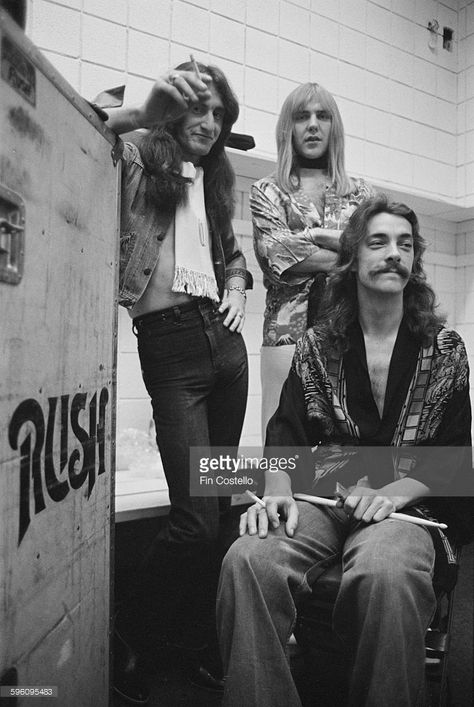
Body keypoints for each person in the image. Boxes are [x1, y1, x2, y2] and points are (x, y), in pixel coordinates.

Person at [217, 195, 473, 707]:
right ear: (353, 258)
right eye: (378, 242)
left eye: (405, 244)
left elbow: (455, 456)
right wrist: (277, 490)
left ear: (414, 262)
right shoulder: (317, 345)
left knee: (386, 571)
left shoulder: (444, 348)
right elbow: (285, 429)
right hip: (326, 498)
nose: (393, 253)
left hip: (408, 506)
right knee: (248, 558)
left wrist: (396, 493)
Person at [102, 61, 252, 703]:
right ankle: (127, 628)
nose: (211, 124)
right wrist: (143, 111)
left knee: (220, 515)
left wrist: (240, 283)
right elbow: (92, 131)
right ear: (173, 109)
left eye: (220, 114)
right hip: (170, 351)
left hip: (226, 351)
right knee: (194, 520)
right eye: (199, 109)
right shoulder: (138, 161)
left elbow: (231, 251)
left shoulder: (212, 179)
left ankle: (191, 644)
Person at [251, 82, 375, 438]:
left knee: (351, 448)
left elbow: (373, 254)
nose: (313, 124)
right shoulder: (268, 190)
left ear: (334, 127)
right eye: (302, 116)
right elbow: (276, 255)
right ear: (287, 128)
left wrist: (305, 241)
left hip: (352, 334)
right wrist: (344, 250)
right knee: (284, 447)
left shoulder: (362, 195)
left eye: (323, 116)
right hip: (286, 335)